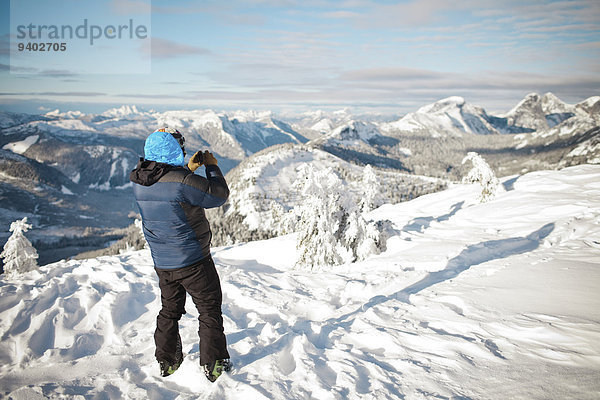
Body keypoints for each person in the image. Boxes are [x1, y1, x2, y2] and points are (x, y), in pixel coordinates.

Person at [129, 127, 231, 382]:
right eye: (179, 148)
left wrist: (187, 168)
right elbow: (218, 195)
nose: (183, 150)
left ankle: (167, 361)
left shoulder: (141, 181)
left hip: (163, 264)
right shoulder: (182, 182)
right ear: (174, 151)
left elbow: (170, 184)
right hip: (194, 261)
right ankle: (214, 363)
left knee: (169, 311)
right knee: (209, 310)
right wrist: (211, 167)